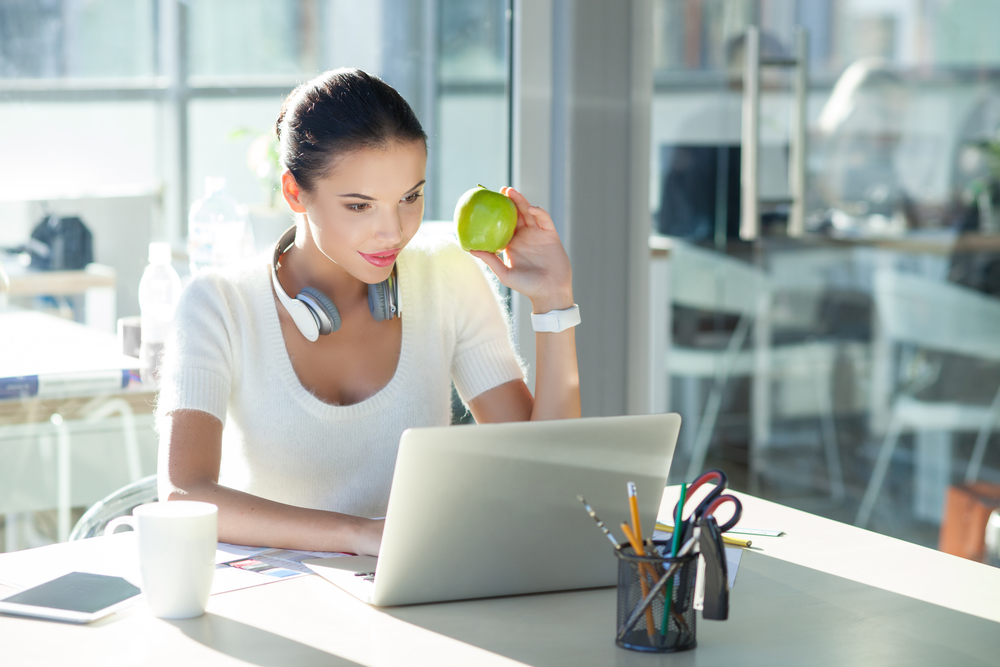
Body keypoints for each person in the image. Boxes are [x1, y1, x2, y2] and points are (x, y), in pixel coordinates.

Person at [155, 68, 580, 556]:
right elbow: (184, 493)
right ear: (295, 193)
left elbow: (545, 473)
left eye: (410, 198)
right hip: (276, 604)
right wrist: (362, 534)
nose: (393, 232)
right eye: (360, 206)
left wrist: (553, 300)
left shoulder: (447, 276)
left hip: (415, 589)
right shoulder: (218, 305)